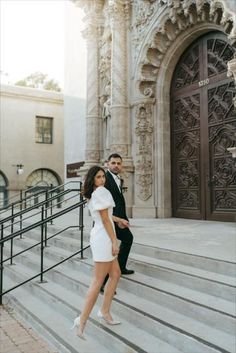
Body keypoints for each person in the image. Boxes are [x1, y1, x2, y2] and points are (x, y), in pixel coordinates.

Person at [71, 166, 121, 339]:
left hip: (101, 234)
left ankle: (105, 311)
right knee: (98, 280)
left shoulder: (93, 193)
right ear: (92, 179)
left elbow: (105, 215)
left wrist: (119, 219)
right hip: (105, 237)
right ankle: (82, 319)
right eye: (98, 177)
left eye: (103, 176)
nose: (102, 180)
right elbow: (105, 219)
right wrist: (114, 241)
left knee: (115, 274)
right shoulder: (101, 191)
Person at [101, 153, 134, 293]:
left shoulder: (117, 179)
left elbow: (118, 201)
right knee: (109, 251)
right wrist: (118, 220)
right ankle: (103, 283)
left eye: (118, 163)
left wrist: (123, 218)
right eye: (113, 163)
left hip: (117, 218)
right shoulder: (105, 179)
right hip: (109, 220)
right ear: (107, 164)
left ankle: (121, 268)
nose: (116, 166)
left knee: (128, 239)